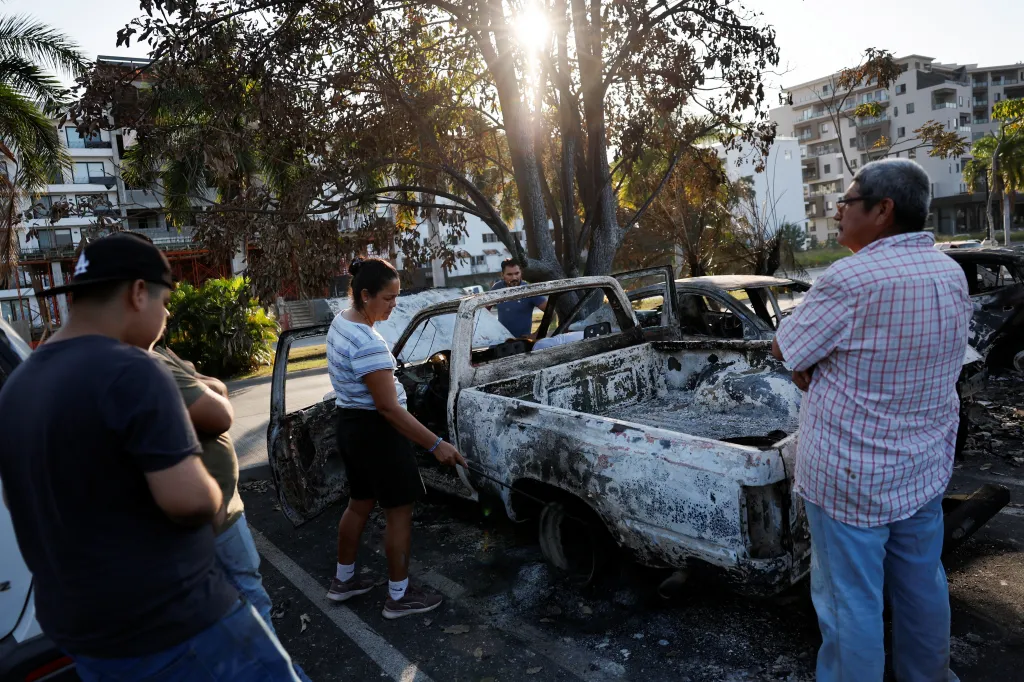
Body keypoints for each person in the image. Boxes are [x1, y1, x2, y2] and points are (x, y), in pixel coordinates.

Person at [0, 233, 300, 681]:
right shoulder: (131, 370)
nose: (163, 319)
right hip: (177, 624)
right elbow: (192, 501)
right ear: (138, 293)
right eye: (163, 304)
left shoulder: (17, 386)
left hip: (88, 635)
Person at [771, 159, 971, 682]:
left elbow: (788, 348)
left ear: (883, 211)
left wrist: (805, 368)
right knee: (922, 584)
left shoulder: (850, 278)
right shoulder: (949, 272)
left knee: (849, 604)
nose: (838, 211)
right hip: (921, 467)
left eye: (848, 201)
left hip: (851, 479)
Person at [149, 343, 312, 681]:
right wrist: (202, 382)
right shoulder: (149, 365)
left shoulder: (158, 353)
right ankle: (271, 668)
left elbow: (216, 388)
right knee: (247, 593)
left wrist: (203, 382)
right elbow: (218, 412)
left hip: (221, 506)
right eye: (161, 300)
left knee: (242, 590)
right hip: (214, 513)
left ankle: (268, 663)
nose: (166, 312)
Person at [327, 257, 467, 619]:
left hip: (351, 426)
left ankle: (343, 581)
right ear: (365, 295)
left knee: (359, 503)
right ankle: (399, 597)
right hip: (378, 436)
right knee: (399, 514)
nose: (395, 305)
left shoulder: (341, 322)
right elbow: (389, 409)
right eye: (388, 299)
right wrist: (436, 445)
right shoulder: (368, 344)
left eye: (397, 297)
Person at [490, 259, 547, 338]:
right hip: (500, 340)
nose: (514, 277)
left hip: (521, 342)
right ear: (502, 275)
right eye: (509, 274)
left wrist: (535, 335)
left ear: (521, 273)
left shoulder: (529, 290)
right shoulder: (497, 288)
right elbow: (483, 312)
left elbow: (551, 313)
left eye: (517, 273)